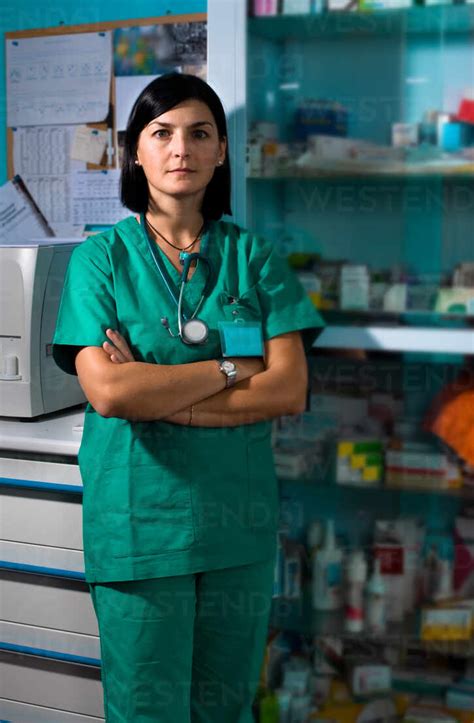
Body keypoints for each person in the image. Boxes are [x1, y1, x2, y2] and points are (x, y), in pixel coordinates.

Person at [52, 72, 324, 723]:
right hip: (139, 529)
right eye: (162, 133)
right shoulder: (98, 261)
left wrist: (165, 394)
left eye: (200, 133)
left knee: (224, 711)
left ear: (221, 151)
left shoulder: (253, 258)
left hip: (237, 530)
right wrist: (232, 366)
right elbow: (112, 390)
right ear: (135, 151)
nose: (182, 149)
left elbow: (288, 386)